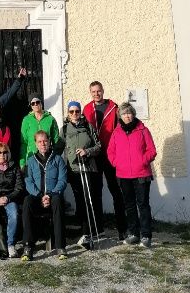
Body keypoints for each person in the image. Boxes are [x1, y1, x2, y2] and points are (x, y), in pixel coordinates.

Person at [107, 102, 157, 247]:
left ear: (133, 114)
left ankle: (146, 236)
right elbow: (111, 152)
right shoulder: (116, 133)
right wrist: (117, 163)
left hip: (141, 174)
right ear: (120, 116)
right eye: (123, 114)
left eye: (129, 113)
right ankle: (134, 234)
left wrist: (142, 161)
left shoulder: (143, 130)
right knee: (129, 206)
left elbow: (152, 150)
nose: (127, 116)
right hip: (123, 175)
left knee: (143, 205)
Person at [83, 80, 127, 242]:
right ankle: (98, 229)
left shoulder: (113, 108)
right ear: (90, 93)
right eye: (93, 91)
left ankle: (123, 229)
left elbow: (120, 129)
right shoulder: (87, 109)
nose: (96, 94)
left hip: (110, 154)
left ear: (103, 91)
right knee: (96, 192)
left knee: (116, 191)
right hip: (95, 155)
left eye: (98, 91)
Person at [22, 130, 68, 260]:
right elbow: (28, 181)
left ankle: (60, 246)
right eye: (40, 142)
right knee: (27, 201)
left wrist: (49, 195)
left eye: (45, 141)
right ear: (36, 144)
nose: (43, 144)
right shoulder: (31, 161)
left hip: (53, 196)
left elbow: (62, 180)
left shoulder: (58, 159)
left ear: (49, 142)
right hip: (37, 197)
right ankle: (28, 246)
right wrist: (40, 195)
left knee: (58, 201)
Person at [61, 100, 101, 248]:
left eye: (77, 111)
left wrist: (87, 151)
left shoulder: (88, 127)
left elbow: (98, 146)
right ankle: (83, 232)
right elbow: (59, 148)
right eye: (71, 112)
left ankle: (89, 233)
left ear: (80, 112)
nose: (74, 114)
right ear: (68, 113)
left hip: (87, 168)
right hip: (74, 169)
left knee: (88, 200)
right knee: (79, 201)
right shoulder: (64, 129)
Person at [19, 95, 60, 167]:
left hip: (47, 157)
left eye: (37, 102)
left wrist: (56, 159)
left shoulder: (50, 119)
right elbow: (24, 143)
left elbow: (55, 141)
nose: (35, 104)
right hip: (32, 157)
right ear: (30, 105)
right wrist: (22, 163)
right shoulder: (26, 120)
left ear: (41, 103)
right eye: (33, 103)